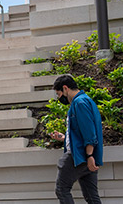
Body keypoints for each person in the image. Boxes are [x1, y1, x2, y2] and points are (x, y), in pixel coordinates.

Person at [50, 75, 103, 204]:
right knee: (91, 196)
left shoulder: (79, 103)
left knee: (61, 189)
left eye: (58, 94)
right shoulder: (85, 101)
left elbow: (90, 133)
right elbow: (82, 131)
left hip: (79, 156)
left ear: (65, 88)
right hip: (86, 155)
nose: (59, 98)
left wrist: (89, 155)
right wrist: (64, 137)